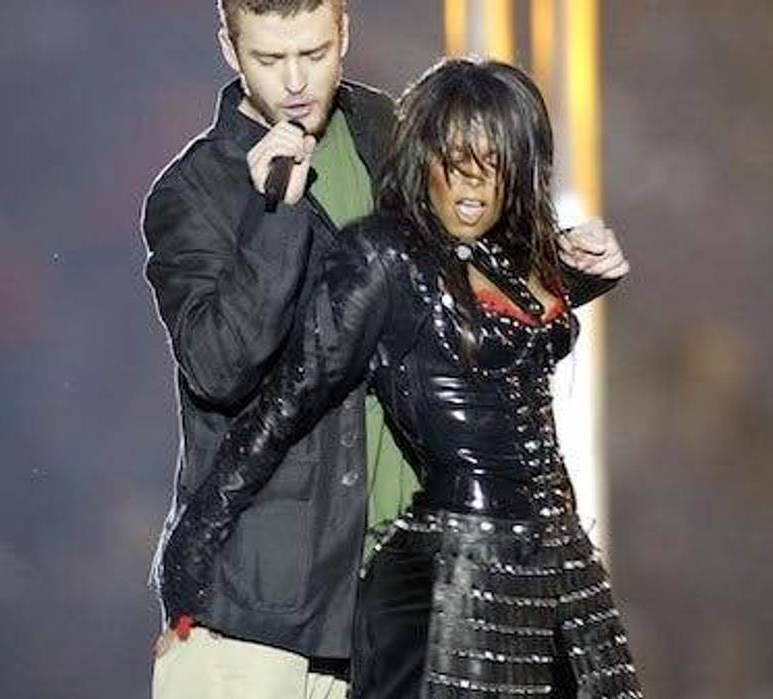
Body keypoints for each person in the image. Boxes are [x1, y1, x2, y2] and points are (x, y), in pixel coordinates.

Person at [160, 57, 642, 699]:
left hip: (558, 573)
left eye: (494, 163)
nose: (473, 183)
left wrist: (576, 273)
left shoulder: (503, 255)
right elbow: (286, 404)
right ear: (424, 158)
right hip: (448, 579)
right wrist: (192, 551)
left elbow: (495, 353)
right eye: (455, 159)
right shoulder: (383, 254)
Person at [140, 1, 417, 697]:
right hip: (254, 614)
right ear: (229, 50)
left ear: (344, 33)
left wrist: (559, 280)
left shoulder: (389, 137)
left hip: (389, 612)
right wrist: (275, 214)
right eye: (269, 59)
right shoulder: (196, 192)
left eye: (313, 54)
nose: (295, 81)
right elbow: (218, 367)